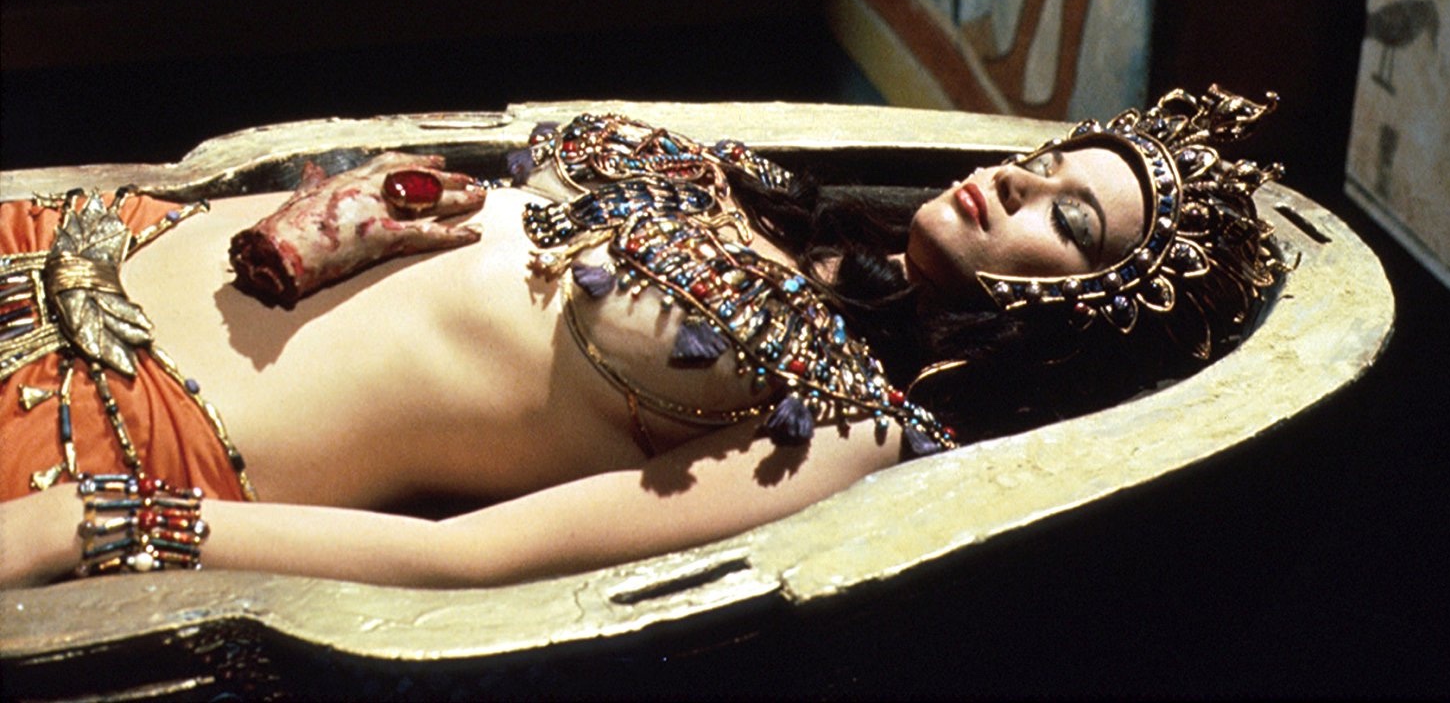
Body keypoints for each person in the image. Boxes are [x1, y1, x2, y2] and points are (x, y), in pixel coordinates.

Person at [0, 86, 1285, 588]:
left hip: (110, 430)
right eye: (1049, 162)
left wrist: (111, 526)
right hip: (91, 241)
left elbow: (473, 561)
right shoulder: (782, 204)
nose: (1016, 183)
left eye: (1069, 218)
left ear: (1080, 319)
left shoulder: (849, 426)